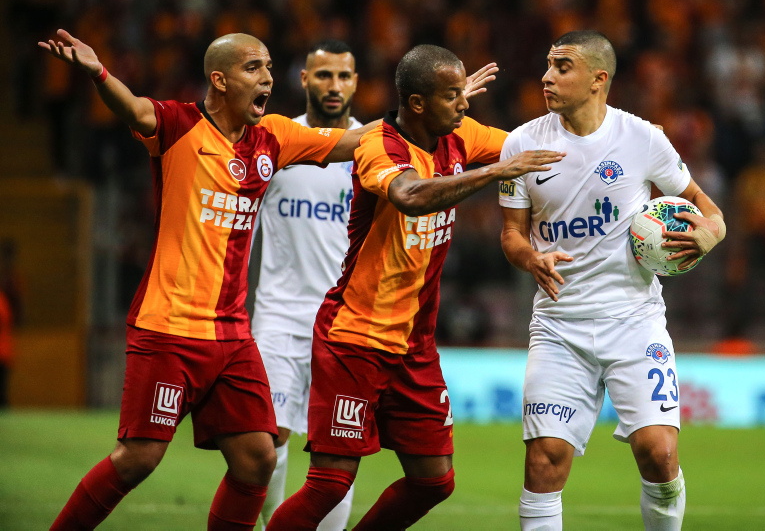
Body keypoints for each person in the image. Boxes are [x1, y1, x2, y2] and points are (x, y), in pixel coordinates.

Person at [40, 28, 371, 531]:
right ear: (219, 79)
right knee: (138, 457)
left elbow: (350, 141)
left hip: (232, 335)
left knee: (257, 457)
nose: (267, 78)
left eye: (268, 67)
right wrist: (99, 73)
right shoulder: (179, 125)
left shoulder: (274, 137)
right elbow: (135, 110)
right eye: (253, 68)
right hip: (169, 326)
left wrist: (424, 121)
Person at [266, 44, 565, 531]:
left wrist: (622, 140)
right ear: (418, 103)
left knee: (434, 480)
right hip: (356, 337)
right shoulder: (378, 145)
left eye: (461, 93)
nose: (465, 104)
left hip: (413, 345)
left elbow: (531, 148)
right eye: (452, 96)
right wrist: (492, 172)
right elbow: (408, 195)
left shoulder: (460, 135)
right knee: (330, 482)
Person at [498, 31, 726, 531]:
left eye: (562, 67)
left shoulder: (642, 138)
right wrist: (531, 258)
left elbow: (705, 207)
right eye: (548, 65)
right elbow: (512, 233)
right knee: (544, 461)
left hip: (634, 321)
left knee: (660, 453)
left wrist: (710, 233)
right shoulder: (522, 143)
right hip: (559, 326)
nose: (546, 77)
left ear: (598, 79)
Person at [250, 39, 362, 531]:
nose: (333, 86)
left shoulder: (373, 149)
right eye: (323, 75)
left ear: (355, 82)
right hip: (279, 316)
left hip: (346, 323)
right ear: (304, 80)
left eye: (343, 76)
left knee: (338, 448)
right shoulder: (276, 141)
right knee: (266, 440)